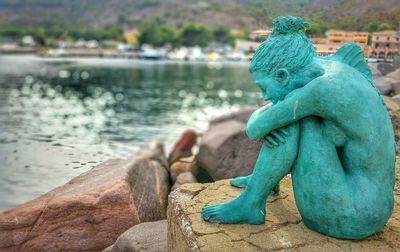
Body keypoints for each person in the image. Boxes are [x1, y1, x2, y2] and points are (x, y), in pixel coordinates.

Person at [202, 16, 395, 240]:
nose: (264, 96)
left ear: (283, 74)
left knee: (294, 118)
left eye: (264, 88)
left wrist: (268, 117)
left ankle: (251, 202)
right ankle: (265, 179)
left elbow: (255, 128)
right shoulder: (328, 67)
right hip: (375, 204)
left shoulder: (320, 91)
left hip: (352, 214)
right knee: (292, 110)